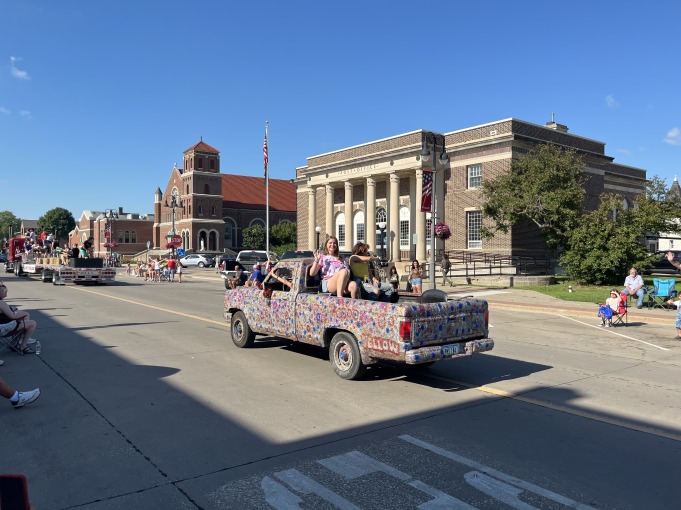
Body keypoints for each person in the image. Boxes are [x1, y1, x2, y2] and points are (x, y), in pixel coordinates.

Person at [0, 281, 39, 354]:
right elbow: (12, 316)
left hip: (3, 325)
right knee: (32, 323)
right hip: (3, 328)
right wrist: (20, 314)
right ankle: (23, 346)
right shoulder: (1, 303)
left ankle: (14, 343)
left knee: (23, 318)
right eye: (4, 290)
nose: (6, 292)